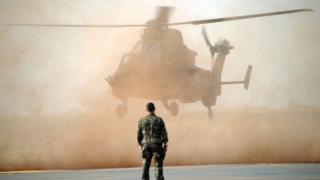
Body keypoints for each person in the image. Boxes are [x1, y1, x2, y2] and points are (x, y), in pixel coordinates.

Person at [137, 102, 168, 180]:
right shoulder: (159, 120)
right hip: (157, 146)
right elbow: (164, 135)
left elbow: (139, 136)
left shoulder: (141, 121)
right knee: (158, 168)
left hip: (146, 145)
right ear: (154, 109)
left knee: (145, 167)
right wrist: (165, 145)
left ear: (146, 110)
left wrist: (140, 145)